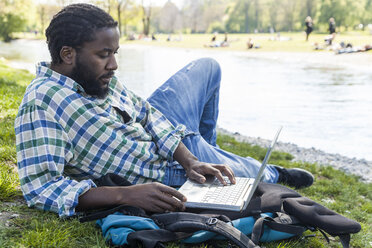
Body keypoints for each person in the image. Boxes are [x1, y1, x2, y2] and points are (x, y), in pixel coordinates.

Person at [15, 4, 314, 218]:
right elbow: (42, 187)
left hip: (174, 149)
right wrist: (125, 194)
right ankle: (272, 171)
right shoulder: (44, 103)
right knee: (248, 177)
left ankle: (205, 153)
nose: (114, 65)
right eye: (104, 55)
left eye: (115, 54)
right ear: (68, 54)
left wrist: (190, 159)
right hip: (164, 173)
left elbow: (145, 112)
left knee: (209, 68)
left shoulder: (96, 77)